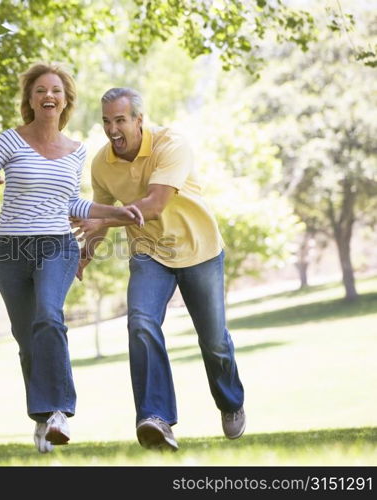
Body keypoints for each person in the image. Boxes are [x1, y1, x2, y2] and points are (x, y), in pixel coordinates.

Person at [0, 65, 143, 454]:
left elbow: (70, 203)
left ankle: (61, 411)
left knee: (49, 315)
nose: (49, 95)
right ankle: (43, 419)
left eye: (57, 90)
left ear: (66, 100)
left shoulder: (76, 149)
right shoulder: (9, 141)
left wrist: (116, 213)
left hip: (56, 244)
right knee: (28, 338)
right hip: (11, 251)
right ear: (30, 99)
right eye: (41, 90)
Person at [72, 87, 245, 451]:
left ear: (138, 119)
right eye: (106, 121)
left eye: (120, 120)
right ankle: (155, 417)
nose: (112, 129)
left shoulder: (172, 144)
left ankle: (231, 402)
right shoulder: (102, 163)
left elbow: (154, 204)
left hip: (199, 248)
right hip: (150, 253)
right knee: (140, 322)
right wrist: (86, 252)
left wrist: (106, 220)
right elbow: (101, 216)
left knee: (213, 341)